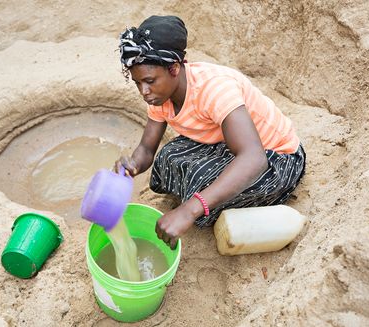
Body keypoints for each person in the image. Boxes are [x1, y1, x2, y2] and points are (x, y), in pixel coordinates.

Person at [114, 15, 306, 250]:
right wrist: (131, 166)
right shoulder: (159, 96)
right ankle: (199, 200)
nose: (144, 91)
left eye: (149, 81)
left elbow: (254, 158)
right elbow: (146, 149)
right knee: (168, 157)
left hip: (276, 157)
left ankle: (237, 202)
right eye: (137, 83)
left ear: (174, 68)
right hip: (230, 142)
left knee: (201, 190)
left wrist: (190, 209)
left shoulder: (215, 89)